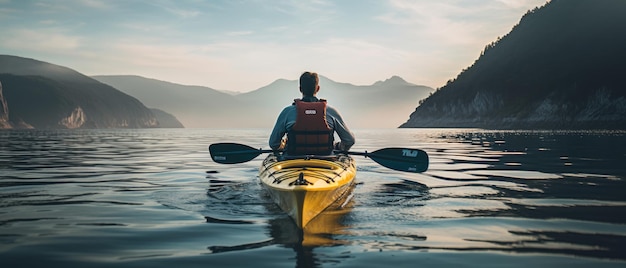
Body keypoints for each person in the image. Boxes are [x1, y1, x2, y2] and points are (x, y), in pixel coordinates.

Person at [269, 71, 355, 155]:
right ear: (318, 88)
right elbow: (349, 141)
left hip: (292, 161)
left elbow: (273, 144)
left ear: (300, 89)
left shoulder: (287, 112)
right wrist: (339, 147)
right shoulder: (330, 112)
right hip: (326, 161)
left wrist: (284, 146)